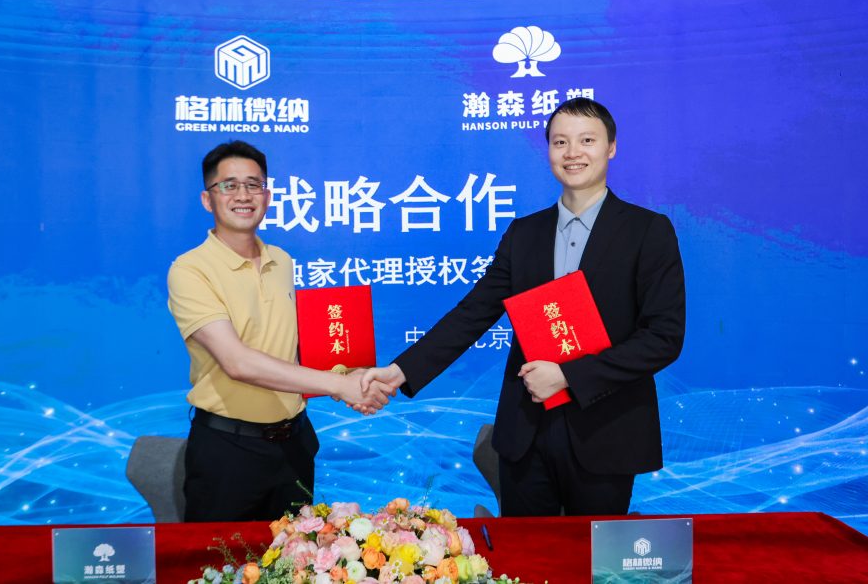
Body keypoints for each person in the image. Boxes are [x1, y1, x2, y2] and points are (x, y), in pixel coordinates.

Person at [363, 98, 685, 516]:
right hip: (526, 433)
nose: (573, 153)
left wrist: (568, 376)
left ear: (611, 147)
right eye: (560, 142)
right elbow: (473, 313)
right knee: (525, 553)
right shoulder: (524, 234)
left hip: (605, 431)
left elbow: (663, 338)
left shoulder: (647, 231)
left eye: (587, 140)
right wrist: (400, 371)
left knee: (591, 554)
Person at [168, 139, 394, 522]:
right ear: (208, 199)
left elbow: (290, 348)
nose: (243, 195)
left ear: (268, 196)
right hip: (228, 451)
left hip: (294, 445)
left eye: (253, 185)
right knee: (222, 557)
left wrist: (350, 373)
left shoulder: (282, 261)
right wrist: (339, 385)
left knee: (298, 552)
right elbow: (237, 362)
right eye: (229, 185)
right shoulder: (190, 270)